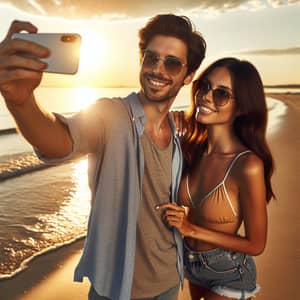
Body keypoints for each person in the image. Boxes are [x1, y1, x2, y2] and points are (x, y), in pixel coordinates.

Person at [0, 15, 206, 300]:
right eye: (151, 58)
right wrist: (21, 102)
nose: (158, 69)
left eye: (172, 63)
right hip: (117, 289)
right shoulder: (111, 115)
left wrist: (184, 217)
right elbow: (61, 141)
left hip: (171, 279)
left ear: (188, 76)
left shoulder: (180, 131)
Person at [158, 58, 275, 300]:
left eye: (221, 94)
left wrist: (190, 229)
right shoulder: (191, 148)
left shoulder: (247, 165)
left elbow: (256, 244)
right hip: (191, 265)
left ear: (241, 107)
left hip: (228, 271)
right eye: (205, 86)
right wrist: (167, 122)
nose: (206, 96)